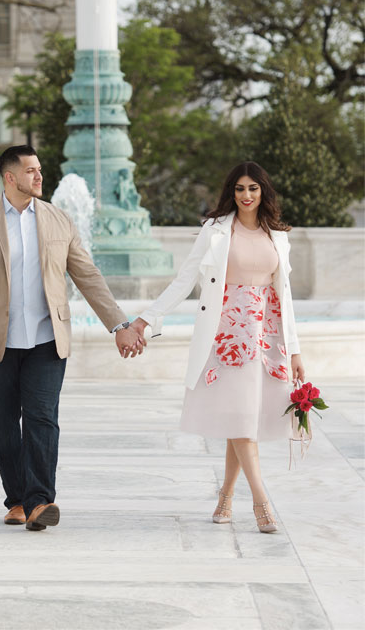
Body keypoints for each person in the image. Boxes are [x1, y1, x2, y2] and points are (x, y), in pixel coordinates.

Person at [0, 145, 146, 530]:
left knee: (42, 419)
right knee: (4, 425)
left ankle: (40, 502)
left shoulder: (59, 220)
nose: (39, 176)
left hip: (46, 341)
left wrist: (119, 325)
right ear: (10, 178)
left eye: (40, 169)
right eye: (30, 171)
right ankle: (17, 500)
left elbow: (87, 275)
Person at [131, 162, 304, 533]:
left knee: (243, 420)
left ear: (263, 192)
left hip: (267, 336)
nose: (246, 196)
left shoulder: (278, 235)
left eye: (253, 189)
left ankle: (225, 497)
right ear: (231, 191)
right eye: (239, 189)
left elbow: (284, 298)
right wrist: (147, 318)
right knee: (242, 421)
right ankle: (261, 502)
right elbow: (184, 280)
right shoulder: (215, 231)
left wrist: (294, 350)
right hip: (227, 337)